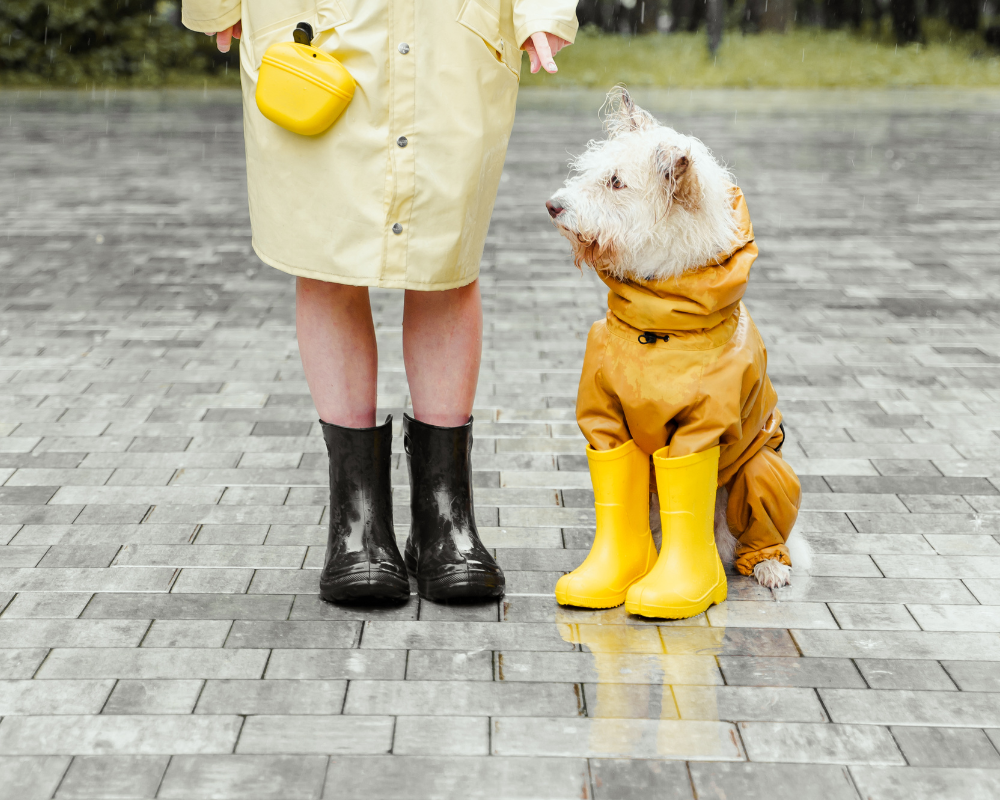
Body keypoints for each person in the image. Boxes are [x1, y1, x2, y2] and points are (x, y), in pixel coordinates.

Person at [182, 0, 578, 603]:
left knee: (446, 261)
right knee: (326, 258)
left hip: (453, 33)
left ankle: (445, 521)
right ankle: (356, 523)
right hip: (311, 32)